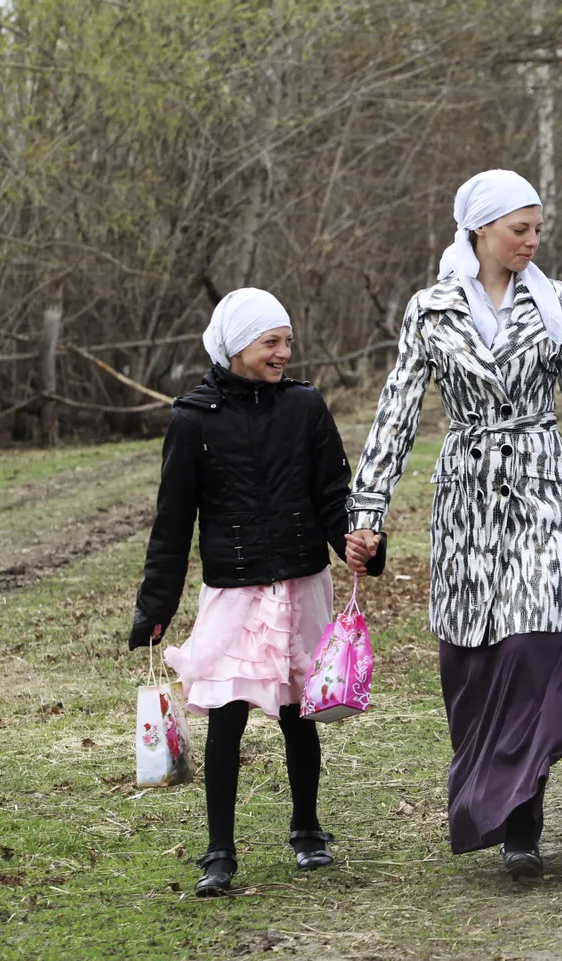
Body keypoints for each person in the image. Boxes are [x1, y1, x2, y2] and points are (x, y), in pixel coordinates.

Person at [343, 169, 562, 880]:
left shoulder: (555, 302)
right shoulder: (431, 309)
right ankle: (491, 800)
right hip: (465, 499)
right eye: (520, 230)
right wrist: (368, 511)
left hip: (540, 490)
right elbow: (396, 411)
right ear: (480, 230)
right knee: (471, 660)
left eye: (538, 229)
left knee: (533, 647)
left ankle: (523, 823)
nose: (533, 242)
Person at [129, 288, 383, 897]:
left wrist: (357, 542)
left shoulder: (304, 407)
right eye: (272, 342)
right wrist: (156, 608)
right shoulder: (193, 419)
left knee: (300, 712)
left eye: (287, 341)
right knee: (227, 717)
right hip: (235, 591)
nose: (283, 352)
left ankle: (307, 831)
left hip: (301, 581)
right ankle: (219, 851)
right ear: (238, 344)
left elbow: (331, 494)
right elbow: (173, 522)